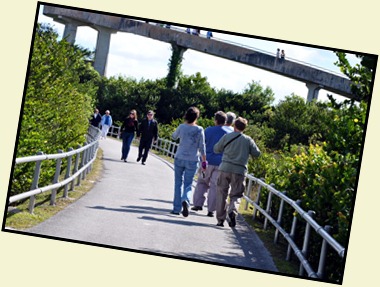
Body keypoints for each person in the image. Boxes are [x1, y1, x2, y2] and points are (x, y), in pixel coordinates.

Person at [214, 117, 261, 227]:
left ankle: (220, 219)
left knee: (221, 193)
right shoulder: (248, 140)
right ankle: (232, 210)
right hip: (239, 170)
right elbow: (257, 153)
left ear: (234, 126)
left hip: (225, 167)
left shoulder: (226, 137)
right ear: (244, 128)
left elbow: (216, 149)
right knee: (237, 194)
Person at [191, 111, 230, 217]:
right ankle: (211, 209)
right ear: (225, 121)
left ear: (215, 120)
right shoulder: (229, 132)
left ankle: (198, 204)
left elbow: (202, 144)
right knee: (214, 186)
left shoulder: (208, 130)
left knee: (202, 182)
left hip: (207, 161)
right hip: (221, 162)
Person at [171, 107, 206, 217]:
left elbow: (174, 137)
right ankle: (185, 200)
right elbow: (202, 146)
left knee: (178, 183)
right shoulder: (200, 129)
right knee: (188, 184)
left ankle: (176, 209)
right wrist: (204, 161)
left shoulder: (182, 127)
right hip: (192, 159)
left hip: (180, 157)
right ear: (197, 117)